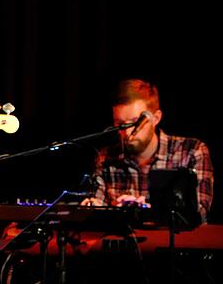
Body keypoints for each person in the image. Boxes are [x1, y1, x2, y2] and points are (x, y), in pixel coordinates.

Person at [83, 78, 213, 222]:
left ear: (156, 118)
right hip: (127, 243)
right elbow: (98, 213)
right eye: (120, 124)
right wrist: (92, 210)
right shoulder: (105, 158)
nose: (127, 133)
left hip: (173, 243)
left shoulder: (191, 152)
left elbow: (199, 214)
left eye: (135, 122)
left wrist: (143, 211)